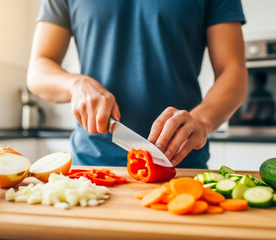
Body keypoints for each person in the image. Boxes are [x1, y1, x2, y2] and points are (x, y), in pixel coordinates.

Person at [27, 0, 248, 169]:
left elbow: (233, 71)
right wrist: (76, 84)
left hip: (179, 165)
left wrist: (203, 120)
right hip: (91, 166)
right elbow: (39, 69)